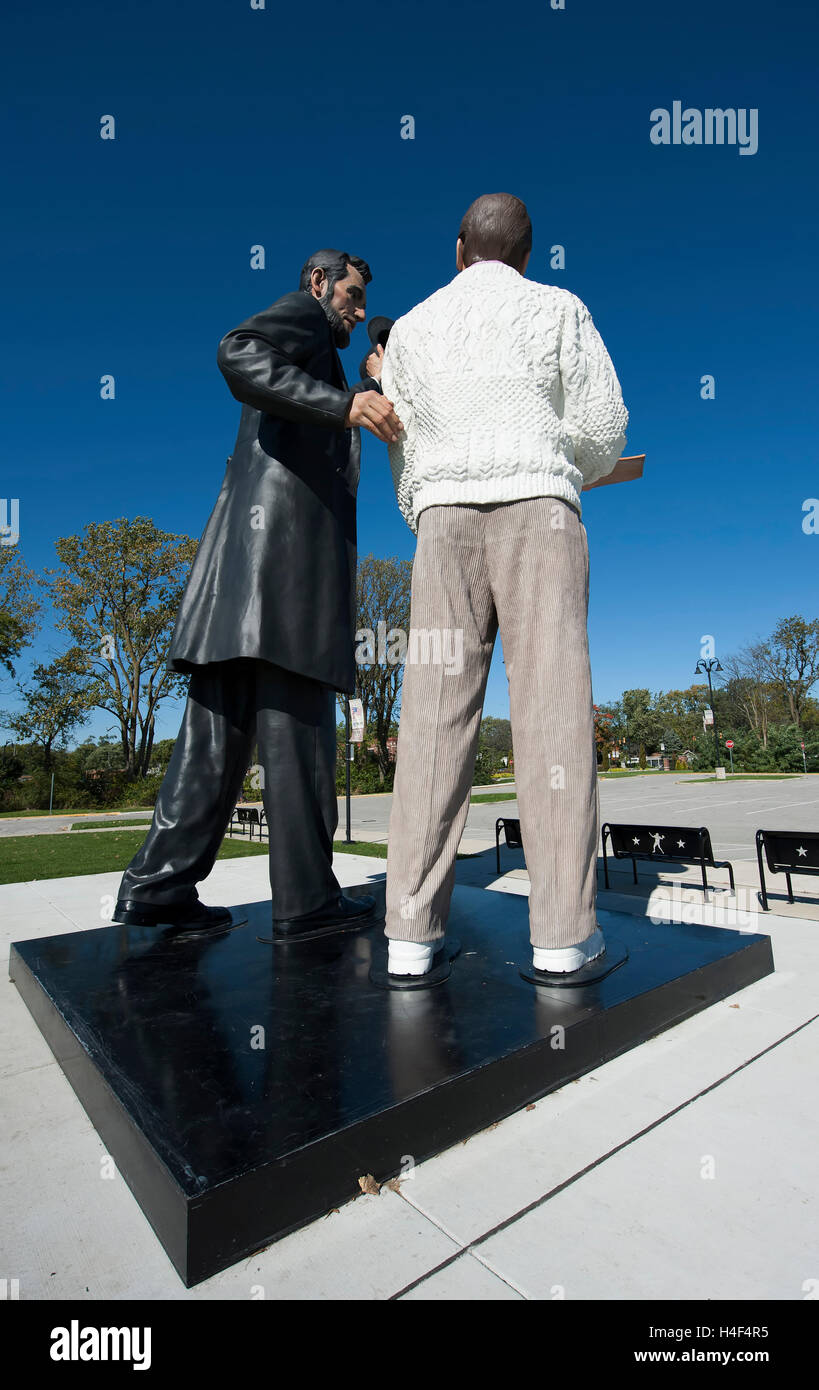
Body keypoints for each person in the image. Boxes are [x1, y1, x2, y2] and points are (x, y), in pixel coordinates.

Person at [114, 250, 403, 938]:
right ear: (317, 283)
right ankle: (305, 900)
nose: (357, 311)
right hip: (284, 573)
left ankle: (157, 888)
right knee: (299, 732)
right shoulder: (301, 315)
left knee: (211, 747)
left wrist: (363, 385)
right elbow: (237, 351)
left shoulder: (320, 356)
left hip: (235, 584)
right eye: (352, 295)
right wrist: (345, 403)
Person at [380, 193, 629, 977]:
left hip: (444, 519)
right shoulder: (558, 307)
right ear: (526, 254)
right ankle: (560, 936)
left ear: (459, 249)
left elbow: (402, 437)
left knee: (430, 716)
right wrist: (564, 470)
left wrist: (422, 506)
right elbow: (603, 427)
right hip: (538, 510)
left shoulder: (412, 326)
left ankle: (408, 936)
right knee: (551, 708)